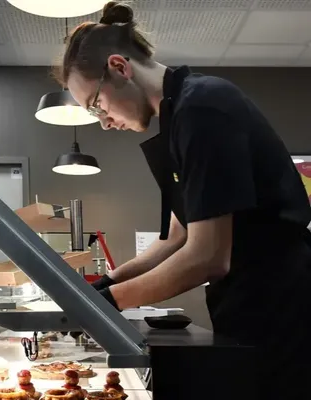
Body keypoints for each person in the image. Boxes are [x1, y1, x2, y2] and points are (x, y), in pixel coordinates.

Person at [54, 2, 311, 399]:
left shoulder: (203, 106)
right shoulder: (176, 118)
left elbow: (209, 256)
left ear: (119, 67)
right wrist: (105, 283)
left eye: (96, 104)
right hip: (243, 302)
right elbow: (176, 236)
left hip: (283, 305)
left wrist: (107, 304)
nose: (103, 121)